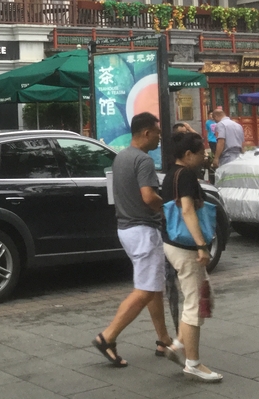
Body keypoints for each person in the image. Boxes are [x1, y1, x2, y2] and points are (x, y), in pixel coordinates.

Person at [93, 112, 176, 367]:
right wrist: (169, 209)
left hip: (126, 228)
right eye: (158, 134)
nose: (159, 139)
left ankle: (163, 340)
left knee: (153, 287)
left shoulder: (121, 157)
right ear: (147, 133)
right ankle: (107, 336)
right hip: (142, 231)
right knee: (146, 290)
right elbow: (148, 196)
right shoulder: (143, 160)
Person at [162, 132, 223, 382]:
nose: (204, 157)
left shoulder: (170, 174)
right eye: (201, 153)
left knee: (200, 297)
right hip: (185, 246)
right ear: (188, 155)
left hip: (172, 242)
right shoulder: (185, 175)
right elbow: (187, 210)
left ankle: (178, 344)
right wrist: (201, 245)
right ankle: (193, 363)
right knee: (195, 304)